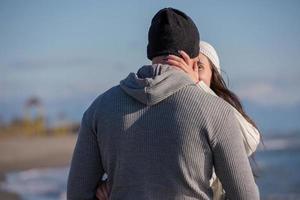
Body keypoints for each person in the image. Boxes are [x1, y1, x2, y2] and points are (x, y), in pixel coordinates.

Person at [67, 7, 260, 200]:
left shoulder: (99, 109)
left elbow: (77, 194)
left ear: (151, 52)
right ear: (193, 59)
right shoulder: (216, 111)